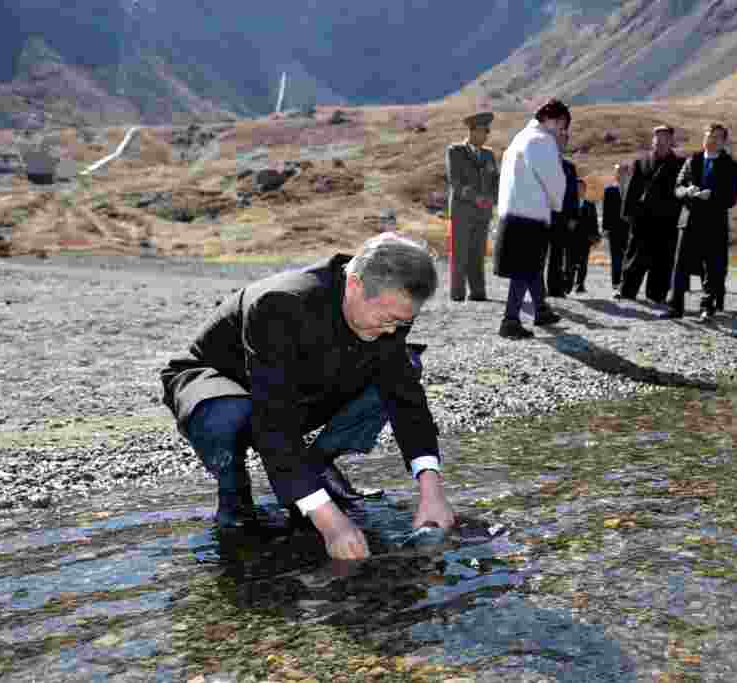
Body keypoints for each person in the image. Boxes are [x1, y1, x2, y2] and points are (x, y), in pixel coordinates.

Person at [159, 233, 455, 560]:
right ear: (355, 285)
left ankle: (315, 467)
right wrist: (329, 521)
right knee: (232, 417)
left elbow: (405, 400)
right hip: (222, 384)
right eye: (388, 319)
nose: (391, 331)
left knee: (405, 367)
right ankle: (234, 495)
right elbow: (273, 417)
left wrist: (432, 489)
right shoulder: (280, 304)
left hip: (302, 383)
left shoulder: (387, 314)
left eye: (403, 322)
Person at [492, 99, 569, 339]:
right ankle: (510, 320)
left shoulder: (520, 138)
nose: (562, 132)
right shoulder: (542, 140)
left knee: (530, 265)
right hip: (531, 214)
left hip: (513, 211)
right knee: (524, 267)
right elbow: (553, 179)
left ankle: (541, 310)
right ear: (553, 120)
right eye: (562, 126)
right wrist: (558, 203)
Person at [665, 123, 737, 320]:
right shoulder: (693, 160)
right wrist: (687, 192)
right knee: (680, 265)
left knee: (713, 268)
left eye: (717, 137)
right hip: (688, 220)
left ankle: (707, 307)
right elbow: (677, 188)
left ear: (724, 141)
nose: (712, 139)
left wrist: (713, 195)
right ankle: (675, 307)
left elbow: (731, 198)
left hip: (714, 223)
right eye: (709, 135)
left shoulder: (731, 166)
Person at [617, 125, 685, 304]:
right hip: (643, 218)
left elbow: (682, 191)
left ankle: (657, 295)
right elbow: (632, 189)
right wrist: (628, 213)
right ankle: (626, 290)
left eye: (665, 138)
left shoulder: (681, 164)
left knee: (663, 259)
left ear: (671, 141)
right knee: (634, 256)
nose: (660, 141)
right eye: (657, 138)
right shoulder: (641, 162)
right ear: (653, 140)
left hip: (668, 219)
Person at [445, 112, 498, 302]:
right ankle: (457, 294)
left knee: (477, 253)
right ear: (473, 131)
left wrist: (492, 200)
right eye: (484, 131)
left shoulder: (489, 155)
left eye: (487, 132)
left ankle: (478, 292)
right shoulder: (455, 151)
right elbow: (455, 181)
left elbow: (495, 182)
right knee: (459, 253)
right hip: (462, 211)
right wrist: (476, 198)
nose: (486, 136)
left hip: (483, 213)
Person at [546, 131, 579, 297]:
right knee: (539, 253)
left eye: (564, 141)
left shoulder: (570, 167)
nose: (561, 143)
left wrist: (574, 216)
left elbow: (574, 194)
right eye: (559, 140)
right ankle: (535, 288)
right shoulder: (543, 162)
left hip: (563, 216)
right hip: (543, 214)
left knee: (557, 254)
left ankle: (554, 288)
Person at [601, 163, 631, 290]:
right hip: (614, 229)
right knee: (616, 257)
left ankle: (626, 283)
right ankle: (616, 283)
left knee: (628, 257)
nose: (621, 174)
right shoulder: (609, 190)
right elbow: (606, 211)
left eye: (624, 171)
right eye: (619, 172)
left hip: (629, 229)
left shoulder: (633, 189)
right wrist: (605, 228)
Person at [568, 178, 600, 293]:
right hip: (571, 239)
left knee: (583, 263)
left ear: (585, 190)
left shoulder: (590, 205)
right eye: (577, 188)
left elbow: (594, 222)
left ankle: (580, 284)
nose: (580, 190)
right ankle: (569, 283)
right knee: (570, 262)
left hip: (585, 239)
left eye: (582, 188)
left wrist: (596, 236)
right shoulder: (569, 204)